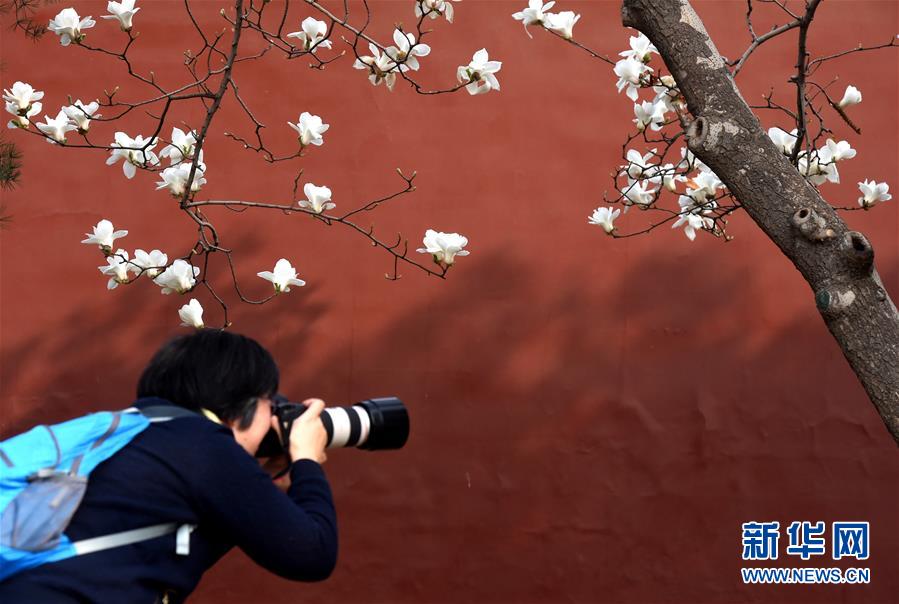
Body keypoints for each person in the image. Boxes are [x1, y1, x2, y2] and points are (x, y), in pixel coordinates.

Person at [0, 329, 337, 603]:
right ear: (243, 404)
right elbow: (312, 554)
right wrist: (307, 459)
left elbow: (164, 555)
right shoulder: (204, 445)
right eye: (271, 404)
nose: (273, 417)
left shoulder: (138, 435)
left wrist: (260, 486)